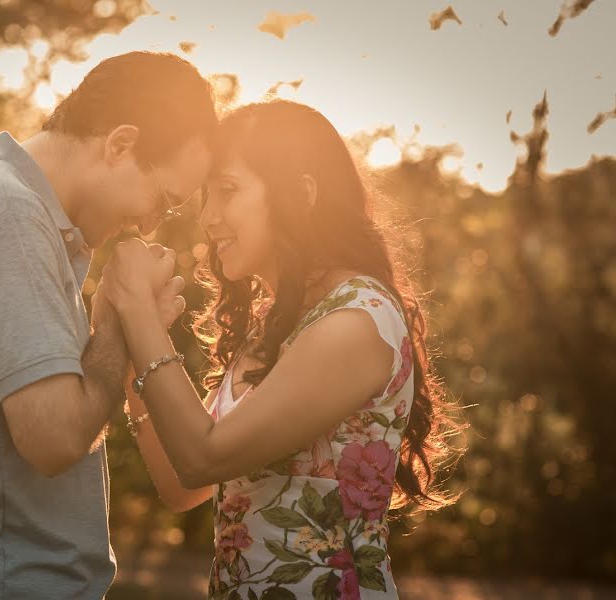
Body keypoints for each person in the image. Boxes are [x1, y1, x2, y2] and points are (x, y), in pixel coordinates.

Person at [0, 51, 216, 599]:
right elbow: (53, 438)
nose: (152, 222)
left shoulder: (20, 216)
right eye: (164, 199)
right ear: (120, 144)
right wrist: (124, 322)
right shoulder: (5, 215)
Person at [101, 100, 461, 599]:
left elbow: (201, 457)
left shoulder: (354, 322)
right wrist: (135, 352)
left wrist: (139, 311)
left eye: (227, 191)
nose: (207, 217)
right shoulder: (276, 327)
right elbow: (184, 486)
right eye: (208, 195)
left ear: (300, 193)